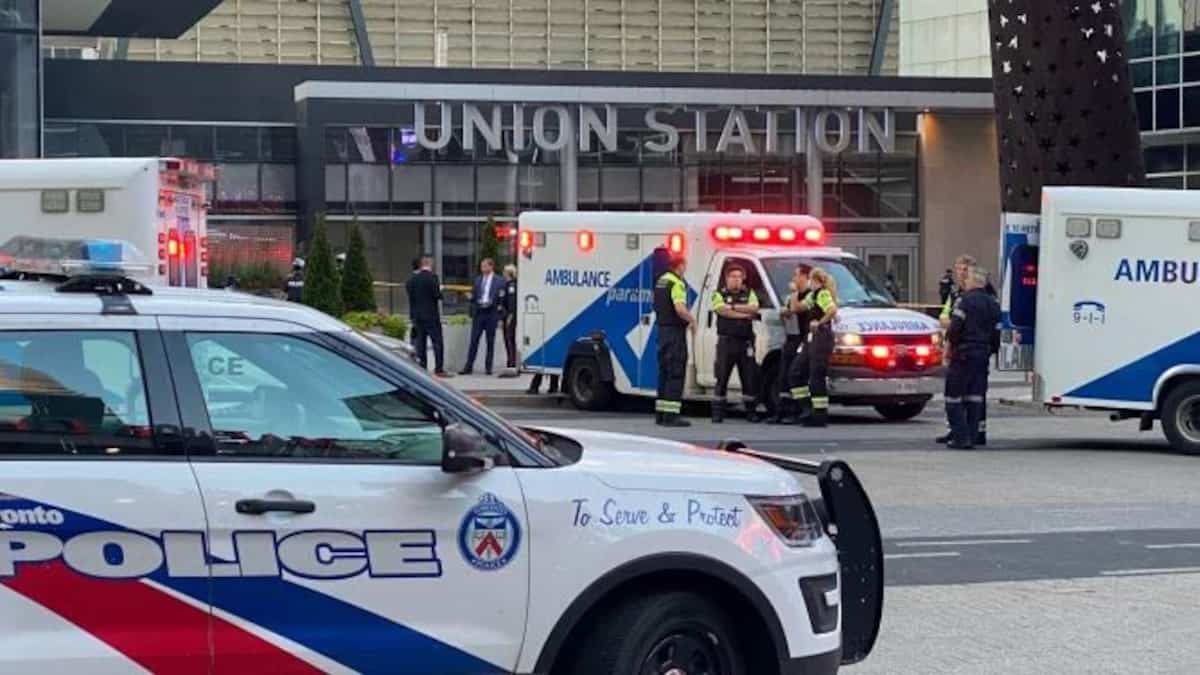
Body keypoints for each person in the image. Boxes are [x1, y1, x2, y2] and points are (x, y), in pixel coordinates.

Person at [937, 254, 996, 445]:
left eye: (967, 275)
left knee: (953, 397)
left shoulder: (965, 301)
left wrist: (949, 348)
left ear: (974, 280)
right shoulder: (993, 303)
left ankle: (961, 436)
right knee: (975, 397)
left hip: (963, 353)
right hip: (982, 354)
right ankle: (972, 434)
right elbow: (997, 332)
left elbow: (955, 328)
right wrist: (990, 350)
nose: (964, 278)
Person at [785, 268, 838, 427]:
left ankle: (819, 415)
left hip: (821, 336)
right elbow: (796, 308)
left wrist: (819, 322)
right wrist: (794, 292)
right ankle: (807, 409)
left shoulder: (822, 294)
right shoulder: (812, 295)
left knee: (816, 375)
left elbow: (832, 310)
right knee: (795, 372)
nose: (810, 283)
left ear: (817, 281)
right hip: (811, 338)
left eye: (812, 281)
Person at [710, 265, 762, 423]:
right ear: (727, 278)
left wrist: (732, 307)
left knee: (749, 378)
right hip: (726, 342)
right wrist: (743, 315)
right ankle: (718, 414)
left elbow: (754, 308)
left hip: (745, 342)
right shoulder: (718, 293)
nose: (736, 280)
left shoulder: (749, 293)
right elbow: (720, 310)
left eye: (739, 277)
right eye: (733, 276)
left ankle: (751, 412)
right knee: (722, 378)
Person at [769, 264, 813, 424]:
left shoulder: (811, 295)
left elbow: (796, 308)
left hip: (804, 339)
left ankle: (797, 411)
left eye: (796, 275)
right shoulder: (792, 296)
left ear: (805, 277)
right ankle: (781, 412)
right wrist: (784, 312)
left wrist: (794, 293)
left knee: (797, 375)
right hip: (791, 338)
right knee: (783, 376)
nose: (793, 279)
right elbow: (788, 311)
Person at [654, 254, 695, 427]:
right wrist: (691, 320)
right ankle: (671, 416)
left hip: (662, 331)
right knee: (676, 372)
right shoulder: (677, 283)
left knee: (664, 373)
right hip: (675, 332)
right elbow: (679, 308)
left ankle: (661, 414)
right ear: (680, 266)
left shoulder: (661, 281)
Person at [406, 255, 448, 376]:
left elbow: (410, 294)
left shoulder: (413, 279)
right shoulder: (433, 278)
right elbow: (438, 295)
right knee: (437, 342)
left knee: (421, 343)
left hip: (418, 316)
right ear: (429, 264)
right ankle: (439, 368)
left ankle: (422, 367)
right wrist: (440, 289)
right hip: (431, 316)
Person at [461, 258, 501, 376]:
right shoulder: (478, 280)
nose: (482, 268)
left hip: (491, 313)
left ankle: (488, 367)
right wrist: (471, 297)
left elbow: (502, 298)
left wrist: (499, 312)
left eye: (484, 266)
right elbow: (474, 295)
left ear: (491, 267)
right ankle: (468, 366)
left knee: (490, 341)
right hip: (479, 312)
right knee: (474, 340)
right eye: (481, 266)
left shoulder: (499, 281)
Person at [499, 264, 519, 373]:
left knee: (509, 339)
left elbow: (511, 303)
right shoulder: (505, 285)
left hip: (509, 317)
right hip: (504, 316)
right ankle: (510, 360)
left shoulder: (511, 286)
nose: (503, 273)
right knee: (507, 340)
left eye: (505, 272)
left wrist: (509, 317)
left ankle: (512, 362)